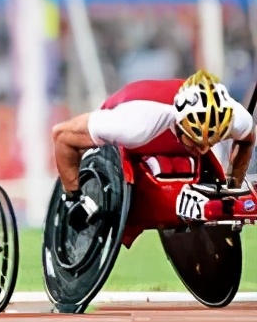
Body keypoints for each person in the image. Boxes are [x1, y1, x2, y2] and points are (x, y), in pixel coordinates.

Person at [51, 70, 256, 223]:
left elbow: (247, 139)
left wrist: (233, 184)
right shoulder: (132, 125)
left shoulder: (236, 118)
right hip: (132, 113)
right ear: (179, 126)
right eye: (195, 141)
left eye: (211, 142)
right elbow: (61, 136)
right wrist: (74, 199)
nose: (202, 149)